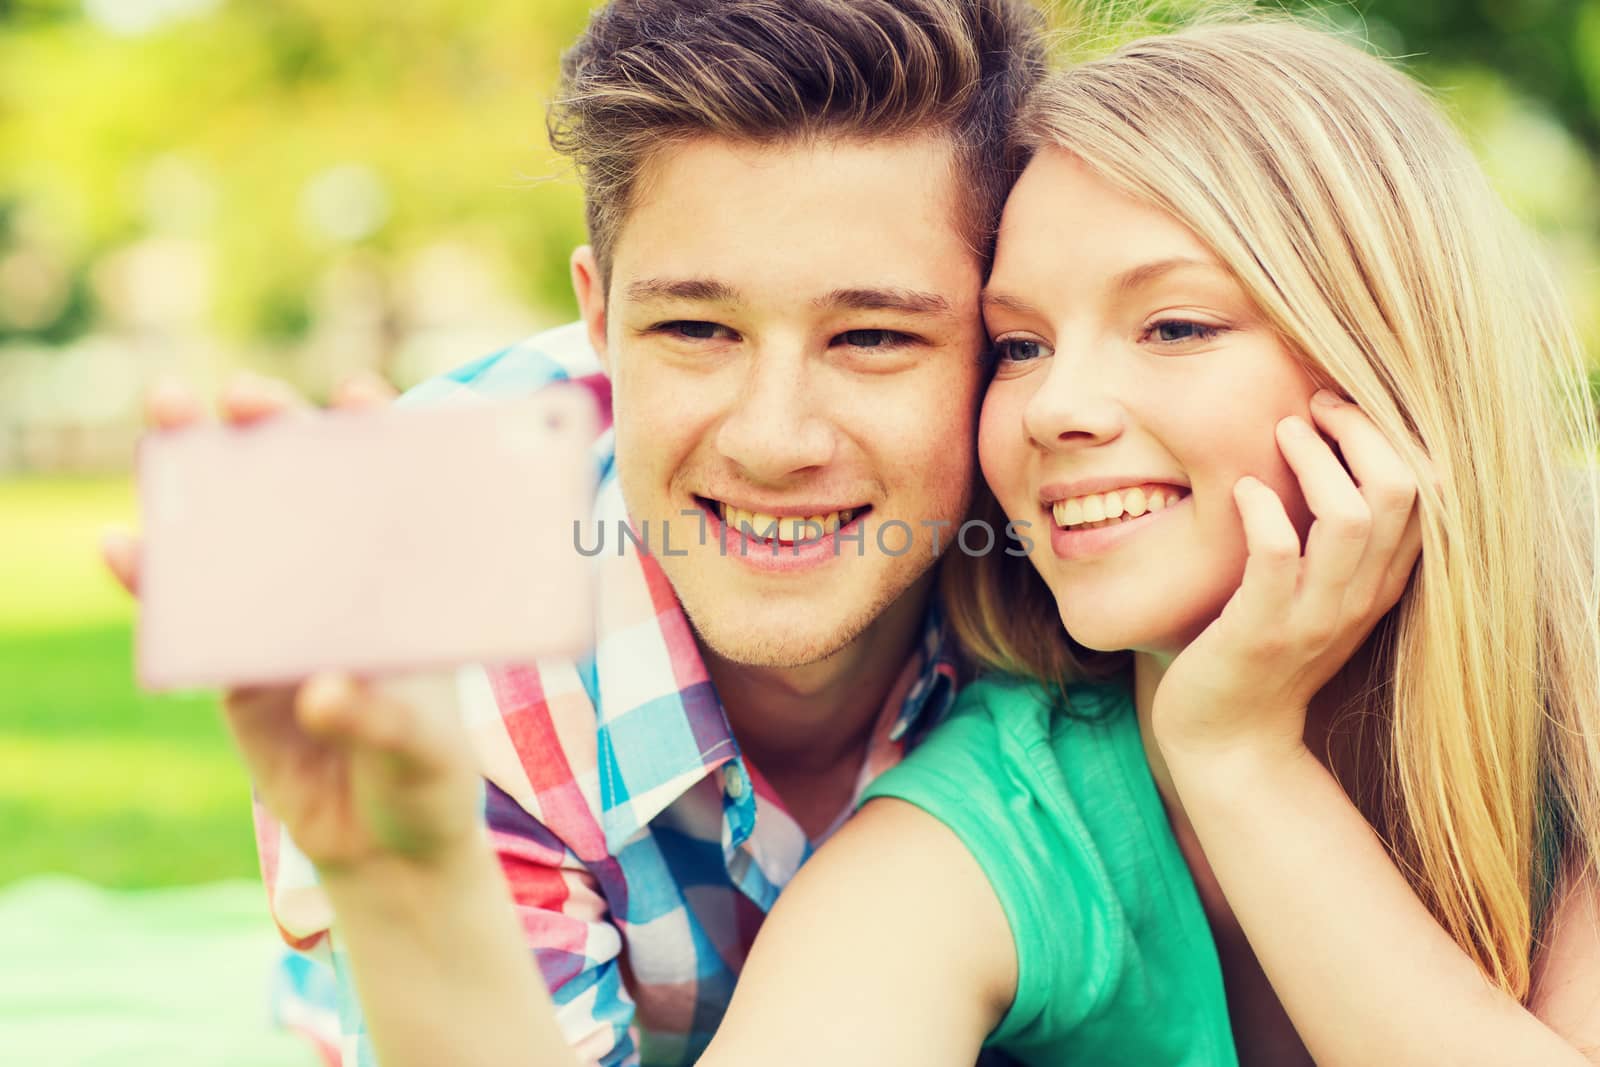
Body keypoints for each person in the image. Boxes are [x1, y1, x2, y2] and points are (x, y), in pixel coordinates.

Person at [253, 15, 1600, 1067]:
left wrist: (1241, 757)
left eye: (1175, 324)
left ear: (1396, 354)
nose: (1061, 403)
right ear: (600, 325)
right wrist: (404, 868)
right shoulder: (1004, 808)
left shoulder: (1572, 668)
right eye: (1027, 343)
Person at [103, 1, 1048, 1065]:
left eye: (873, 334)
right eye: (695, 327)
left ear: (1003, 339)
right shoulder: (441, 637)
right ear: (598, 321)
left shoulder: (1074, 551)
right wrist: (411, 878)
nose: (774, 439)